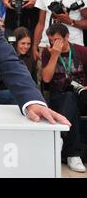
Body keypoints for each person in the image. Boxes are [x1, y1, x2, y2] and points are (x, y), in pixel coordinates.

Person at [42, 23, 87, 172]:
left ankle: (59, 136)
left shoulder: (81, 51)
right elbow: (46, 79)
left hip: (82, 96)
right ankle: (73, 155)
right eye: (51, 40)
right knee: (69, 98)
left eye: (57, 40)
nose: (53, 43)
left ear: (67, 37)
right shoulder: (48, 53)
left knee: (73, 98)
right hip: (58, 98)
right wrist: (55, 55)